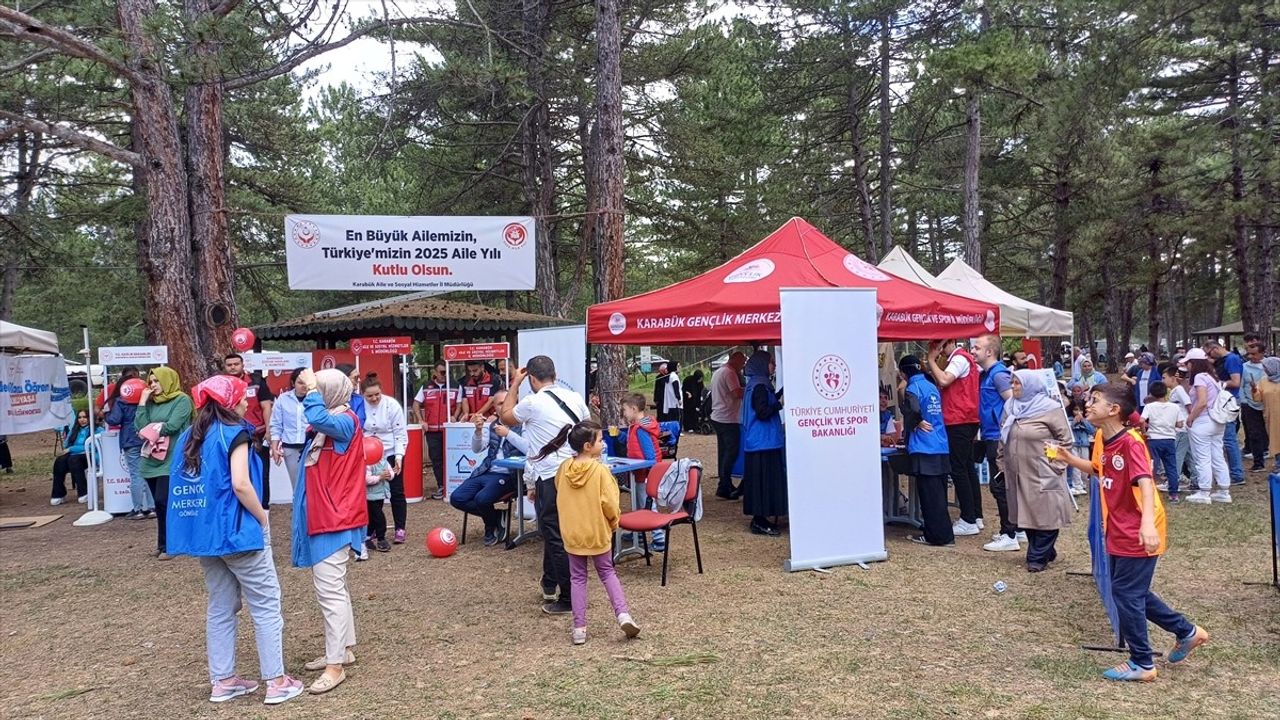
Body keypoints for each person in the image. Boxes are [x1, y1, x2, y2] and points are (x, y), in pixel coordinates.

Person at [165, 375, 304, 706]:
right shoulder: (235, 433)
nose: (247, 402)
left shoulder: (190, 436)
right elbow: (241, 484)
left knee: (221, 606)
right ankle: (276, 681)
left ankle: (223, 680)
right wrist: (262, 515)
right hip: (239, 533)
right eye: (243, 397)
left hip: (205, 536)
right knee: (266, 604)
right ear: (230, 402)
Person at [1055, 382, 1208, 682]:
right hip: (1119, 528)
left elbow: (1146, 483)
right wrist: (1069, 459)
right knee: (1130, 591)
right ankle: (1187, 632)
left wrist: (1147, 524)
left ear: (1113, 410)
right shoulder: (1103, 437)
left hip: (1139, 529)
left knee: (1127, 593)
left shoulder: (1131, 442)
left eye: (1094, 400)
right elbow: (1103, 469)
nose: (1087, 404)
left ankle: (1142, 662)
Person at [290, 368, 368, 695]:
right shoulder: (333, 422)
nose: (314, 393)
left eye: (321, 389)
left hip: (334, 519)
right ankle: (344, 649)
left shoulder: (344, 422)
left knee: (330, 592)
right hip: (328, 516)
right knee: (337, 588)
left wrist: (310, 393)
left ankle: (335, 667)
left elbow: (320, 418)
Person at [499, 356, 591, 614]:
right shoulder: (574, 397)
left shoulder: (532, 402)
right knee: (557, 533)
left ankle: (569, 598)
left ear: (532, 379)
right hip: (577, 473)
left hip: (551, 476)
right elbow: (589, 428)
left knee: (555, 535)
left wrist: (514, 384)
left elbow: (505, 416)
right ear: (555, 373)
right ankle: (550, 583)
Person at [537, 420, 640, 645]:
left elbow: (559, 491)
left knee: (578, 578)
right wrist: (614, 523)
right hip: (597, 532)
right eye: (601, 440)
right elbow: (610, 503)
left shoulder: (564, 468)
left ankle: (579, 628)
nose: (603, 444)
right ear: (587, 446)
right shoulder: (600, 471)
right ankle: (623, 614)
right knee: (607, 572)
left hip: (572, 533)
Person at [1000, 369, 1072, 571]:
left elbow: (1065, 440)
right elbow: (1003, 434)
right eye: (1012, 382)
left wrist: (1055, 465)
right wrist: (1001, 462)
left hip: (1042, 470)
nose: (1012, 387)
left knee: (1046, 514)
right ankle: (1045, 551)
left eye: (1017, 383)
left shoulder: (1050, 409)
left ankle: (1036, 557)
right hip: (1017, 472)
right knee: (1026, 515)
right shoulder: (1011, 407)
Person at [451, 390, 528, 546]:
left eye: (507, 401)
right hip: (487, 470)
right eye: (500, 403)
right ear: (494, 408)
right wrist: (478, 431)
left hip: (510, 474)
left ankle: (490, 526)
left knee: (482, 499)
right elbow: (477, 449)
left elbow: (529, 449)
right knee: (457, 498)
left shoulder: (524, 424)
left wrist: (508, 434)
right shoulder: (493, 424)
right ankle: (496, 518)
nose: (504, 405)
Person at [925, 339, 982, 541]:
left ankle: (968, 519)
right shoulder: (962, 359)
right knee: (966, 467)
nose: (936, 352)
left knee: (959, 469)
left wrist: (931, 360)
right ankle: (975, 515)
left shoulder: (958, 358)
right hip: (965, 418)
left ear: (945, 343)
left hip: (959, 419)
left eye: (936, 346)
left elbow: (945, 380)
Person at [135, 367, 193, 560]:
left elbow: (172, 426)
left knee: (164, 500)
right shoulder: (151, 403)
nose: (153, 385)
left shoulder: (182, 400)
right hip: (152, 459)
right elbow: (139, 425)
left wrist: (149, 430)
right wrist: (142, 402)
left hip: (172, 457)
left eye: (157, 381)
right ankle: (162, 544)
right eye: (150, 382)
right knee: (159, 506)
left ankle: (172, 545)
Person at [898, 355, 954, 547]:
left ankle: (937, 537)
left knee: (929, 496)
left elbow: (912, 409)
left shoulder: (912, 388)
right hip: (940, 443)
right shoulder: (931, 385)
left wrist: (917, 420)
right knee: (939, 494)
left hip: (924, 446)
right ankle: (942, 531)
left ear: (903, 373)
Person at [970, 335, 1013, 547]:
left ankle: (1010, 534)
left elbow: (1013, 402)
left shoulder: (998, 375)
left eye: (977, 348)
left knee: (999, 484)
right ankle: (1014, 529)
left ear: (989, 352)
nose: (973, 351)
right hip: (990, 435)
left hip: (998, 437)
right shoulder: (986, 375)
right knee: (1000, 484)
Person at [741, 351, 785, 536]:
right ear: (761, 364)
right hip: (762, 442)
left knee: (762, 483)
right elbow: (763, 411)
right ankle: (759, 520)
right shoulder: (759, 386)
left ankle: (761, 518)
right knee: (763, 484)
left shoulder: (758, 384)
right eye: (771, 363)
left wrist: (780, 394)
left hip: (761, 442)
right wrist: (779, 403)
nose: (774, 365)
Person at [360, 377, 408, 544]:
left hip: (390, 451)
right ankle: (373, 528)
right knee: (372, 494)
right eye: (369, 396)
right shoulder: (359, 405)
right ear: (363, 395)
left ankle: (400, 528)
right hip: (368, 454)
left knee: (396, 491)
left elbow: (400, 433)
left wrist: (399, 457)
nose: (374, 399)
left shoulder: (391, 405)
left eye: (377, 395)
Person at [223, 353, 275, 504]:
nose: (233, 367)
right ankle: (241, 505)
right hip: (232, 435)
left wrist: (268, 430)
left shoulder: (257, 381)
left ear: (242, 365)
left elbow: (266, 407)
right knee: (237, 473)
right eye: (229, 365)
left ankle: (263, 507)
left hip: (257, 434)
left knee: (262, 472)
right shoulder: (223, 383)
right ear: (225, 367)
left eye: (236, 364)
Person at [105, 367, 154, 519]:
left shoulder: (121, 400)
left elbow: (114, 420)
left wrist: (106, 414)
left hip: (129, 439)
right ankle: (152, 507)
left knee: (136, 474)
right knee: (149, 473)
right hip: (146, 437)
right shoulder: (146, 398)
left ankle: (138, 509)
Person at [1184, 349, 1230, 504]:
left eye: (1188, 363)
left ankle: (1204, 492)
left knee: (1202, 457)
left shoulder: (1199, 377)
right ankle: (1224, 490)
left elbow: (1202, 402)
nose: (1187, 366)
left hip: (1203, 421)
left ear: (1193, 363)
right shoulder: (1213, 377)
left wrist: (1191, 418)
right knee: (1217, 455)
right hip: (1217, 421)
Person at [621, 392, 665, 551]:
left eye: (625, 410)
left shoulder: (641, 429)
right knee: (640, 504)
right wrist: (619, 435)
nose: (624, 414)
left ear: (633, 409)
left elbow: (650, 456)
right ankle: (638, 533)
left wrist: (647, 470)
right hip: (642, 474)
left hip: (646, 475)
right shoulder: (637, 427)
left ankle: (659, 539)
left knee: (648, 505)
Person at [1205, 341, 1245, 485]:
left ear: (1215, 348)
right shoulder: (1222, 360)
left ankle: (1237, 474)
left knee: (1229, 439)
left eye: (1209, 353)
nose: (1209, 356)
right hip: (1221, 402)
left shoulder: (1232, 359)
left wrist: (1220, 383)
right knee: (1225, 439)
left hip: (1228, 402)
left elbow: (1236, 382)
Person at [412, 362, 453, 502]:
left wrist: (456, 416)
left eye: (446, 372)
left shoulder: (455, 385)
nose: (444, 375)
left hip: (449, 430)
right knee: (436, 459)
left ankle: (452, 485)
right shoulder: (426, 387)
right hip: (432, 430)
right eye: (442, 372)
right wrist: (421, 420)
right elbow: (416, 403)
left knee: (450, 458)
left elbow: (460, 404)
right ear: (434, 372)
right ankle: (441, 485)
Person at [710, 351, 747, 500]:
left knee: (725, 452)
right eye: (742, 362)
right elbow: (737, 393)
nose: (743, 365)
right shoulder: (730, 373)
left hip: (718, 416)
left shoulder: (719, 371)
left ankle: (724, 483)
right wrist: (751, 390)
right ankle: (725, 485)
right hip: (727, 418)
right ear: (735, 361)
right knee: (731, 453)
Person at [269, 367, 310, 494]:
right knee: (297, 485)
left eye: (306, 382)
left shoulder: (317, 399)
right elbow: (276, 425)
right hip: (290, 447)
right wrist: (275, 448)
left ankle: (312, 513)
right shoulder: (283, 399)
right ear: (293, 383)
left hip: (312, 447)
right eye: (300, 382)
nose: (304, 386)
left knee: (312, 485)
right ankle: (299, 513)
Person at [1141, 382, 1183, 504]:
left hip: (1154, 439)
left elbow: (1141, 420)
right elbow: (1180, 424)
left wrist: (1145, 431)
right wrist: (1171, 424)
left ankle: (1149, 492)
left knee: (1152, 466)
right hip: (1169, 439)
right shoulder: (1175, 407)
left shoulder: (1149, 407)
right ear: (1166, 392)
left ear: (1152, 394)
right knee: (1171, 467)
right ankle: (1173, 494)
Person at [51, 408, 100, 505]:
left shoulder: (97, 430)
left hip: (90, 456)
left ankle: (83, 492)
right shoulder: (75, 430)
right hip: (73, 455)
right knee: (59, 462)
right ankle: (58, 494)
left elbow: (92, 447)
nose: (82, 420)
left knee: (74, 460)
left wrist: (72, 449)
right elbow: (66, 445)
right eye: (80, 417)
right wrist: (69, 440)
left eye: (85, 417)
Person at [1160, 363, 1197, 491]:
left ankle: (1172, 481)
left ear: (1173, 378)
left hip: (1182, 429)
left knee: (1175, 455)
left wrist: (1190, 420)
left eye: (1164, 378)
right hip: (1181, 429)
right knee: (1189, 456)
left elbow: (1188, 405)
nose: (1162, 380)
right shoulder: (1173, 392)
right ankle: (1196, 481)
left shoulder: (1179, 390)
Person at [1239, 343, 1268, 472]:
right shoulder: (1244, 367)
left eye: (1254, 354)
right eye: (1249, 354)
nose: (1251, 356)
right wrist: (1244, 401)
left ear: (1262, 353)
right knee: (1254, 433)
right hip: (1250, 404)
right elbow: (1241, 385)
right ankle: (1258, 462)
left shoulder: (1270, 366)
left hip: (1267, 404)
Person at [1253, 356, 1280, 471]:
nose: (1265, 369)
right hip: (1271, 415)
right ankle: (1279, 462)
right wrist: (1254, 390)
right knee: (1275, 439)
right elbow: (1258, 398)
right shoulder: (1264, 381)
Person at [364, 450, 392, 555]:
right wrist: (379, 477)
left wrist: (390, 475)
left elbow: (390, 471)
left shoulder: (384, 461)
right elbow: (366, 479)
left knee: (372, 518)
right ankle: (381, 539)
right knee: (379, 518)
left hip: (380, 495)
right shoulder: (368, 464)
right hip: (370, 497)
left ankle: (367, 537)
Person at [1068, 397, 1094, 495]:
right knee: (1076, 466)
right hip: (1074, 445)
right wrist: (1074, 422)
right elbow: (1068, 430)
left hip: (1084, 444)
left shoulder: (1087, 420)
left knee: (1085, 464)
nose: (1078, 412)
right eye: (1075, 410)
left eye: (1080, 410)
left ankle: (1083, 483)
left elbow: (1092, 431)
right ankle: (1076, 485)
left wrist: (1084, 421)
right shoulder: (1069, 420)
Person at [653, 361, 682, 425]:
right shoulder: (663, 377)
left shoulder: (670, 376)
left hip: (669, 400)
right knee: (665, 415)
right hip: (663, 399)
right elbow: (675, 388)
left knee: (670, 416)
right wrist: (679, 398)